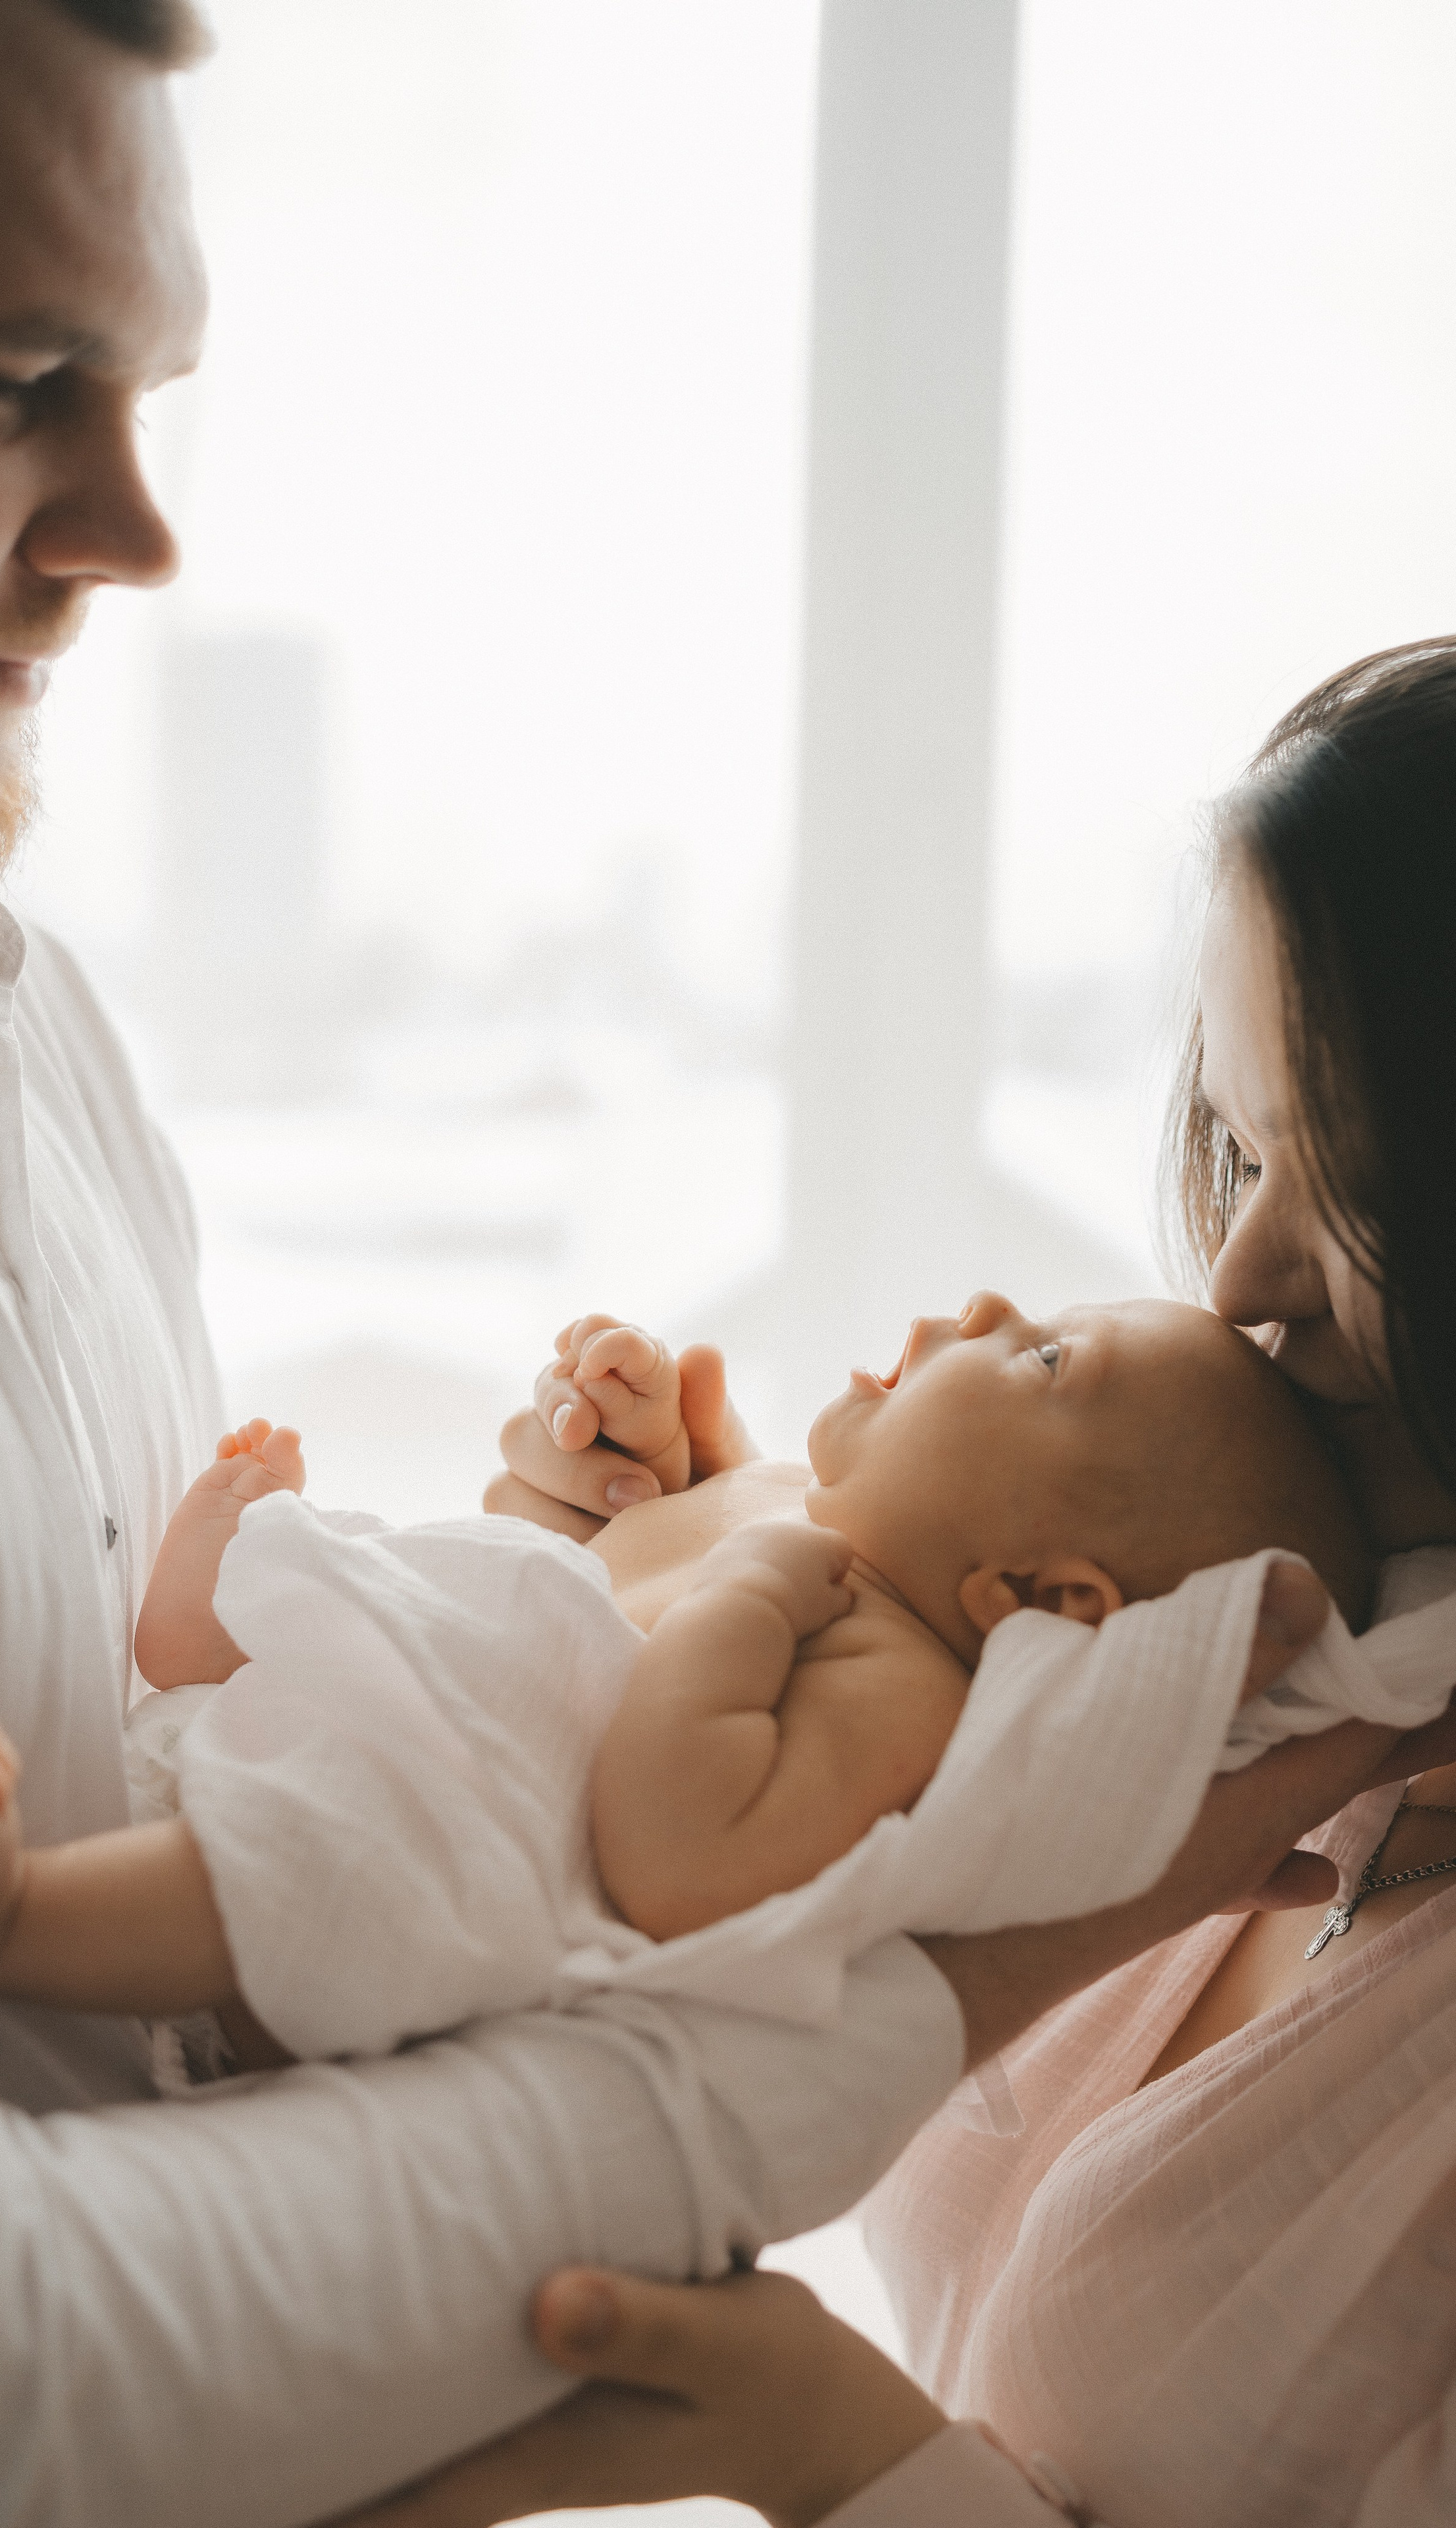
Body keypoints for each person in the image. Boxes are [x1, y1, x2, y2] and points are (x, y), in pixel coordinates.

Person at [0, 3, 1431, 2516]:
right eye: (1, 377)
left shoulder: (37, 1054)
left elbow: (317, 1914)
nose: (139, 526)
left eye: (1362, 1194)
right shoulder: (1226, 1739)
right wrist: (730, 1638)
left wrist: (691, 1619)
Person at [429, 638, 1456, 2526]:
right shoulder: (1245, 1658)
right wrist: (687, 1581)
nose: (1237, 1280)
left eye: (1372, 1197)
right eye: (1240, 1142)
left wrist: (838, 2458)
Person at [0, 1293, 1382, 2053]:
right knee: (451, 1600)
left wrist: (735, 1591)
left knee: (298, 1873)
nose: (981, 1311)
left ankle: (18, 1922)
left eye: (1047, 1362)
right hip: (385, 1718)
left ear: (1038, 1595)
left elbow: (681, 1861)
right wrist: (652, 1490)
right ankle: (218, 1637)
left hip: (426, 1866)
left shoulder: (898, 1682)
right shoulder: (816, 1538)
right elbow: (583, 1593)